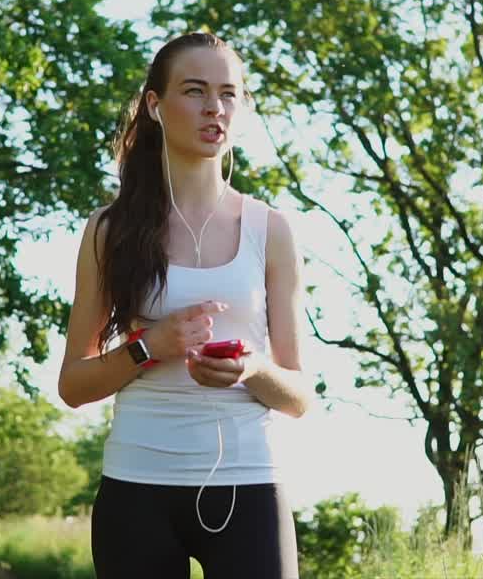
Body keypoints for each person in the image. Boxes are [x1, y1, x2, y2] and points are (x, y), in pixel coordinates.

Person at [58, 32, 314, 579]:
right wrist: (150, 347)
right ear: (155, 105)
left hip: (248, 483)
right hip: (136, 486)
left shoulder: (271, 229)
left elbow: (298, 396)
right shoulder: (110, 230)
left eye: (229, 94)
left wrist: (249, 368)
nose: (214, 108)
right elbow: (73, 385)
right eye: (195, 91)